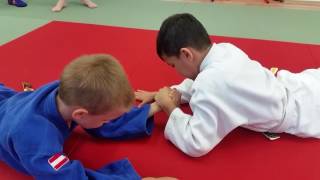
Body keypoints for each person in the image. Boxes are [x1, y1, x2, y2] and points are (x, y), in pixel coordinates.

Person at [135, 13, 320, 157]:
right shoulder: (224, 49)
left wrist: (171, 108)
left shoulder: (211, 83)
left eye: (173, 65)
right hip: (297, 87)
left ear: (186, 54)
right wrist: (173, 92)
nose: (175, 70)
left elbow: (196, 142)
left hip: (305, 112)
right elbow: (204, 84)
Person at [0, 54, 172, 179]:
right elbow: (64, 177)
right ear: (80, 115)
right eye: (104, 119)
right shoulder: (36, 138)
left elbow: (104, 116)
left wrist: (156, 106)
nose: (106, 121)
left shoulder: (71, 90)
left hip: (11, 102)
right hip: (12, 117)